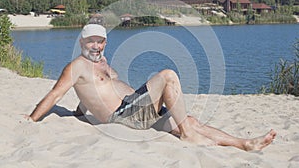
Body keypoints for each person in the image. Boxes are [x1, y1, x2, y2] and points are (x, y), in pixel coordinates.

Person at [26, 24, 276, 151]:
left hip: (137, 111)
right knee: (167, 76)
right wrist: (31, 118)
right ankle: (189, 136)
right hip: (123, 116)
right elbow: (55, 94)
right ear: (82, 41)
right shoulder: (76, 66)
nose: (96, 46)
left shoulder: (101, 62)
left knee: (189, 120)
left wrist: (79, 113)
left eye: (100, 41)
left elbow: (90, 95)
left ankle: (243, 144)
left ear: (104, 43)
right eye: (91, 41)